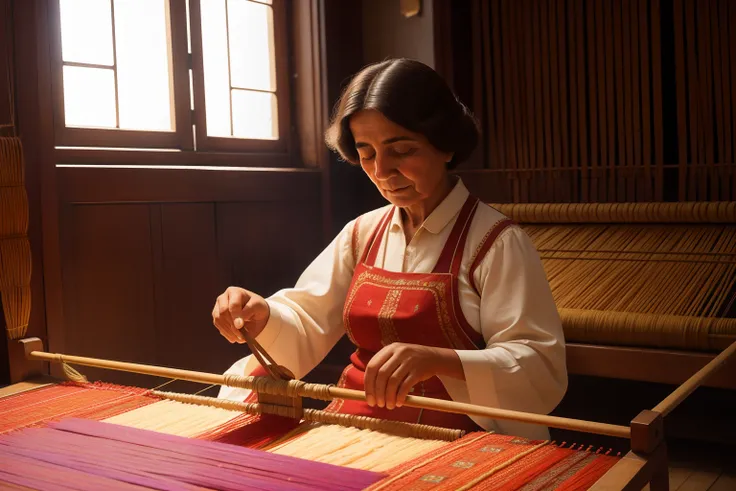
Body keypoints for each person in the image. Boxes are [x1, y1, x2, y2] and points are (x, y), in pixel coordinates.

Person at [212, 58, 567, 439]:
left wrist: (440, 361)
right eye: (367, 154)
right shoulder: (362, 232)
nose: (382, 171)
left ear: (445, 145)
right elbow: (307, 317)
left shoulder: (496, 243)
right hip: (353, 422)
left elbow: (537, 366)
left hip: (458, 436)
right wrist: (263, 314)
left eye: (401, 150)